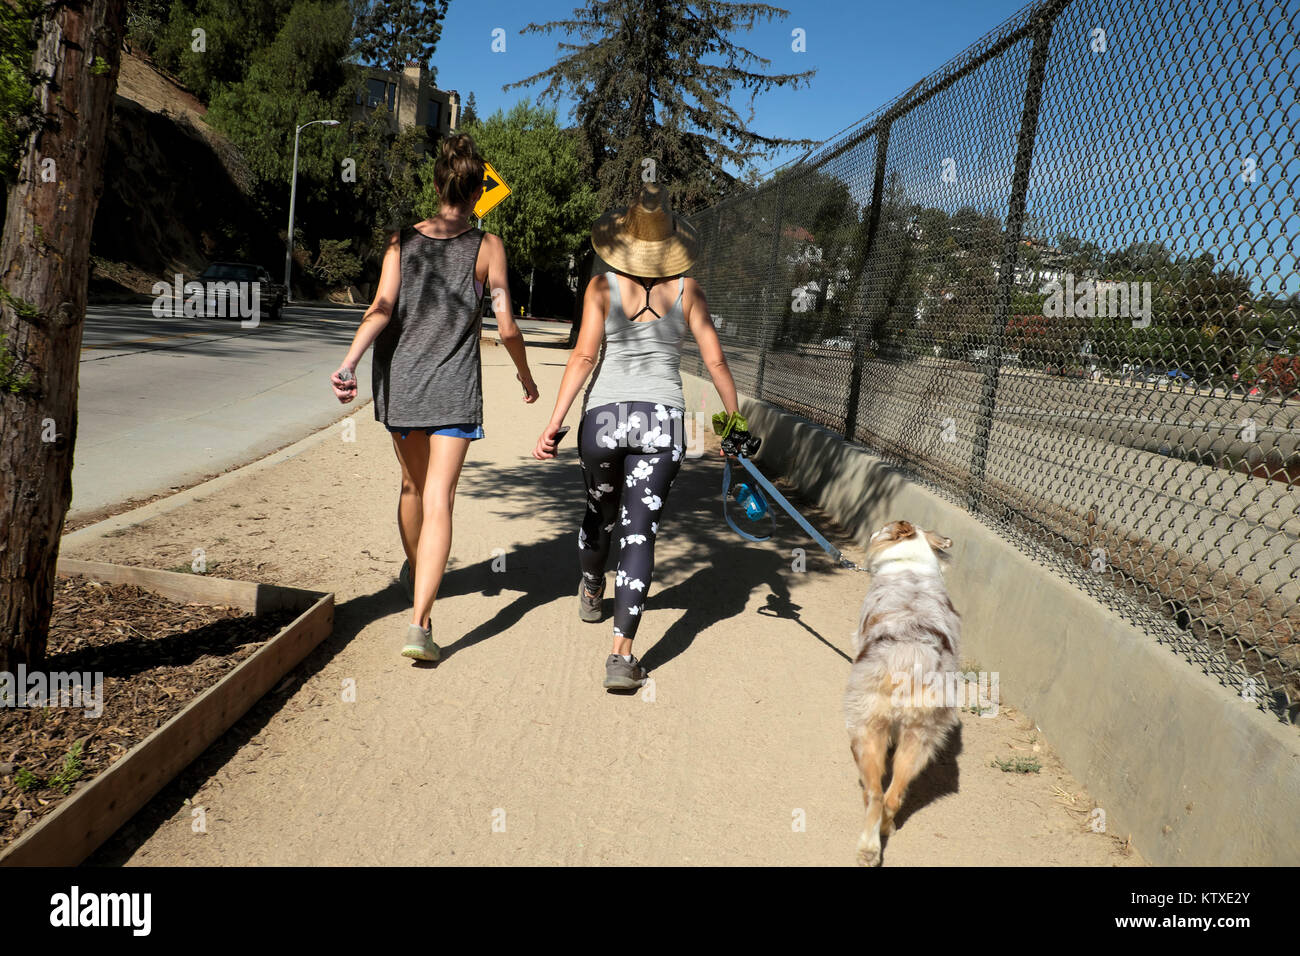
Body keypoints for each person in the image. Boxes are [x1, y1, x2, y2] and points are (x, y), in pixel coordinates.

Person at [532, 181, 751, 691]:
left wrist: (554, 422)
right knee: (639, 533)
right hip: (662, 422)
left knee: (598, 512)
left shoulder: (601, 287)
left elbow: (584, 357)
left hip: (604, 421)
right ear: (671, 244)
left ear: (624, 242)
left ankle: (591, 585)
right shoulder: (689, 290)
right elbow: (715, 359)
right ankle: (621, 655)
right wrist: (734, 423)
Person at [332, 133, 538, 662]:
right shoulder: (488, 247)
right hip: (453, 391)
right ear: (478, 191)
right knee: (441, 498)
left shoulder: (401, 241)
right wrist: (525, 377)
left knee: (411, 486)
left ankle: (416, 572)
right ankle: (419, 624)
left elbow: (379, 307)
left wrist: (350, 361)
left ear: (436, 183)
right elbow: (508, 324)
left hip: (401, 385)